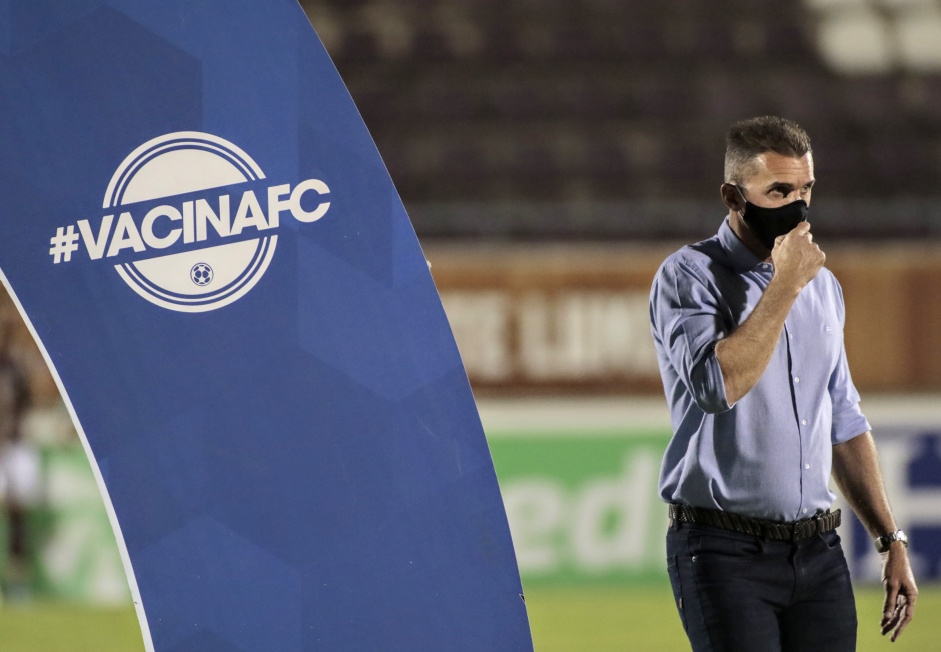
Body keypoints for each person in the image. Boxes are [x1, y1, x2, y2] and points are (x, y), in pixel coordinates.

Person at [648, 116, 918, 651]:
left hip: (818, 552)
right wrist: (784, 285)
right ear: (732, 196)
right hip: (723, 551)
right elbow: (716, 385)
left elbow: (842, 417)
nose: (797, 206)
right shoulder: (689, 276)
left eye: (805, 189)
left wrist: (890, 540)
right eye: (778, 191)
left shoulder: (824, 287)